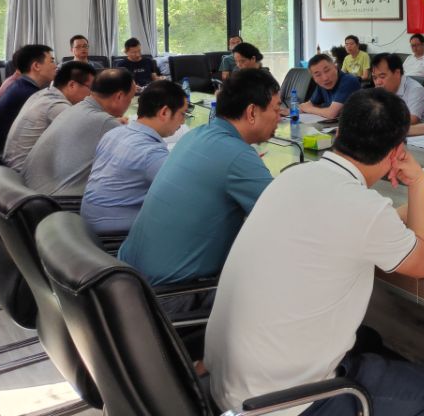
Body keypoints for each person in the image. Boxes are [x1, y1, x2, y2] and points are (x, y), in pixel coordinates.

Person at [205, 89, 424, 416]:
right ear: (397, 151)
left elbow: (355, 224)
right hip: (285, 403)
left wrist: (399, 214)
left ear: (338, 133)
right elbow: (423, 263)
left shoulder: (293, 176)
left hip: (231, 387)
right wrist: (419, 184)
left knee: (371, 338)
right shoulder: (362, 209)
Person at [118, 69, 280, 288]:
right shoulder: (237, 154)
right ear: (252, 112)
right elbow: (285, 219)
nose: (280, 117)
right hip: (171, 294)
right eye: (276, 109)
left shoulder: (195, 135)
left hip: (130, 280)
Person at [81, 80, 188, 235]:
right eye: (182, 114)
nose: (183, 121)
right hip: (114, 234)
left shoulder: (114, 133)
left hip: (88, 224)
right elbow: (185, 195)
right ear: (164, 112)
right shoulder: (150, 153)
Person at [22, 68, 135, 196]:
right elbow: (137, 159)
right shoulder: (105, 122)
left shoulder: (76, 108)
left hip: (31, 193)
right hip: (58, 201)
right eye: (130, 99)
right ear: (119, 96)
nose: (129, 104)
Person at [2, 60, 96, 172]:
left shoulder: (42, 94)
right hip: (24, 173)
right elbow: (86, 139)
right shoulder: (57, 106)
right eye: (90, 88)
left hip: (12, 168)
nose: (91, 94)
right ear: (72, 85)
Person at [0, 44, 57, 151]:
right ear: (36, 66)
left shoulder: (20, 85)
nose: (55, 66)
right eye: (51, 61)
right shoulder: (29, 94)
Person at [370, 52, 424, 124]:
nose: (378, 82)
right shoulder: (380, 90)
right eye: (374, 78)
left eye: (382, 77)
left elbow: (410, 121)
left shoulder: (416, 89)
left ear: (397, 73)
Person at [301, 53, 361, 119]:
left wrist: (309, 109)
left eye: (327, 70)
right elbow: (308, 104)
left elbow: (331, 114)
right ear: (314, 78)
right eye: (318, 75)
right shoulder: (322, 84)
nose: (325, 78)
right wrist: (294, 109)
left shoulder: (349, 81)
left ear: (335, 67)